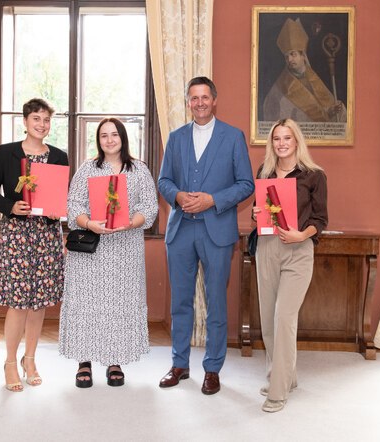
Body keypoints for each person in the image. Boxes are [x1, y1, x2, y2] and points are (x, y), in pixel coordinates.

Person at [158, 76, 254, 395]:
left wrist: (214, 199)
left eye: (204, 97)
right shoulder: (176, 138)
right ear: (188, 102)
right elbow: (164, 181)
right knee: (181, 302)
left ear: (214, 100)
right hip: (182, 230)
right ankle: (179, 364)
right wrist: (178, 196)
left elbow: (246, 184)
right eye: (193, 98)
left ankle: (212, 369)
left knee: (216, 303)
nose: (199, 103)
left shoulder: (233, 137)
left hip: (217, 230)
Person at [59, 117, 158, 388]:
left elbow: (150, 207)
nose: (110, 140)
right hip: (91, 249)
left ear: (123, 138)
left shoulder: (139, 170)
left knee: (119, 305)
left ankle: (115, 360)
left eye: (114, 134)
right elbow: (73, 205)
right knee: (87, 305)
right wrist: (89, 222)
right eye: (104, 135)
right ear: (98, 140)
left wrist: (130, 223)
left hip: (125, 250)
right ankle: (84, 362)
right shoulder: (87, 169)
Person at [0, 98, 69, 392]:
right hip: (17, 236)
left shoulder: (59, 156)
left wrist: (60, 210)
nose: (42, 125)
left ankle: (29, 359)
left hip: (47, 237)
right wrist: (10, 206)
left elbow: (61, 197)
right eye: (36, 119)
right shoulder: (6, 153)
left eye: (46, 120)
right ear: (25, 121)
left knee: (40, 303)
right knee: (18, 303)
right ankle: (9, 361)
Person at [252, 118, 328, 412]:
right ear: (272, 143)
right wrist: (257, 211)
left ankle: (278, 390)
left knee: (284, 318)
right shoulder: (265, 172)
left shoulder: (314, 175)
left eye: (287, 138)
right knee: (269, 320)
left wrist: (301, 234)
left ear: (297, 141)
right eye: (276, 139)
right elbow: (260, 213)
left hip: (298, 250)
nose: (281, 144)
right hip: (267, 248)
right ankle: (287, 376)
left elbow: (320, 220)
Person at [263, 18, 346, 123]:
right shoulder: (281, 85)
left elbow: (325, 111)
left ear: (303, 56)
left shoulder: (313, 78)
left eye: (293, 54)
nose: (289, 59)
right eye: (286, 56)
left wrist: (332, 111)